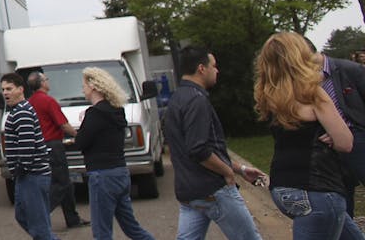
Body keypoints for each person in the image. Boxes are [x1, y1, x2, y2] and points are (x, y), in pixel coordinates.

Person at [256, 32, 365, 239]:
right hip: (317, 190)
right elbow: (346, 143)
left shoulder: (269, 97)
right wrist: (334, 135)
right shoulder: (313, 94)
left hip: (283, 188)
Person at [163, 46, 263, 240]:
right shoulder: (196, 101)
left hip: (190, 194)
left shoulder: (176, 100)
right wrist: (227, 173)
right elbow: (199, 150)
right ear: (202, 68)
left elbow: (196, 148)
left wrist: (240, 169)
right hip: (213, 190)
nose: (217, 70)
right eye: (214, 66)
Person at [77, 67, 154, 240]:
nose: (83, 89)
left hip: (101, 175)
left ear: (93, 86)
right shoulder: (117, 111)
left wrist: (84, 121)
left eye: (84, 85)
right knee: (132, 228)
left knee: (102, 232)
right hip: (120, 172)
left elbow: (81, 142)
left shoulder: (94, 114)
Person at [1, 72, 58, 240]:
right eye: (3, 89)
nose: (5, 93)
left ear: (20, 89)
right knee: (24, 217)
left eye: (9, 89)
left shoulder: (22, 112)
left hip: (32, 175)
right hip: (27, 176)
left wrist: (19, 169)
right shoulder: (17, 111)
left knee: (39, 228)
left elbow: (27, 145)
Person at [26, 72, 84, 228]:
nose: (48, 81)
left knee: (64, 182)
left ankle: (72, 218)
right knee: (61, 183)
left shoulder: (29, 102)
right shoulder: (48, 101)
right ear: (42, 83)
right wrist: (79, 135)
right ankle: (40, 214)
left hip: (39, 146)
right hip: (53, 145)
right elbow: (62, 124)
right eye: (46, 79)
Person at [319, 40, 365, 214]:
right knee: (342, 201)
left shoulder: (349, 70)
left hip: (358, 138)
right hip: (327, 148)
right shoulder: (301, 82)